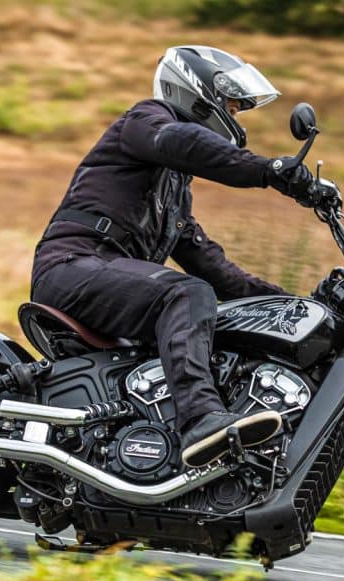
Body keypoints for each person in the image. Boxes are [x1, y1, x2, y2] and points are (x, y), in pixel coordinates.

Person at [30, 45, 315, 468]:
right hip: (72, 266)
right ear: (198, 94)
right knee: (185, 295)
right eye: (233, 107)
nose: (235, 119)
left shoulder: (174, 195)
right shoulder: (146, 121)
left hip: (103, 276)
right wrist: (267, 169)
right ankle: (201, 420)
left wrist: (296, 306)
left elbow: (218, 271)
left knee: (216, 310)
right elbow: (181, 142)